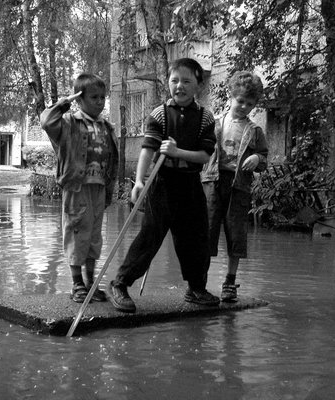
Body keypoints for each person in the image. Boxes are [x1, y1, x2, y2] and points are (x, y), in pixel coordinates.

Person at [108, 58, 219, 313]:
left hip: (191, 183)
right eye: (174, 80)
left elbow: (204, 156)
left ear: (198, 85)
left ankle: (196, 288)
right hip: (163, 183)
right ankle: (120, 284)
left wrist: (178, 151)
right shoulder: (159, 114)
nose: (179, 86)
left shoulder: (205, 117)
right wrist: (138, 182)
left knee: (196, 237)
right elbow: (148, 150)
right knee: (151, 236)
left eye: (187, 81)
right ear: (168, 83)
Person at [40, 73, 119, 303]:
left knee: (94, 236)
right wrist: (65, 102)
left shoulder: (107, 126)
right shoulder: (68, 124)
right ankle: (76, 285)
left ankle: (90, 282)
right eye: (94, 97)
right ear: (80, 99)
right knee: (76, 233)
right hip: (76, 188)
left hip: (100, 188)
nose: (100, 102)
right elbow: (46, 121)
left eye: (102, 97)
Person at [201, 71, 268, 302]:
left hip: (238, 186)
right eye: (240, 101)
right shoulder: (214, 123)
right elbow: (201, 149)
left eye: (250, 104)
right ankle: (199, 282)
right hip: (212, 181)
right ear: (231, 97)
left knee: (236, 233)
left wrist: (257, 159)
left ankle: (230, 282)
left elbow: (264, 158)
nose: (244, 107)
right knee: (207, 230)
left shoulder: (255, 131)